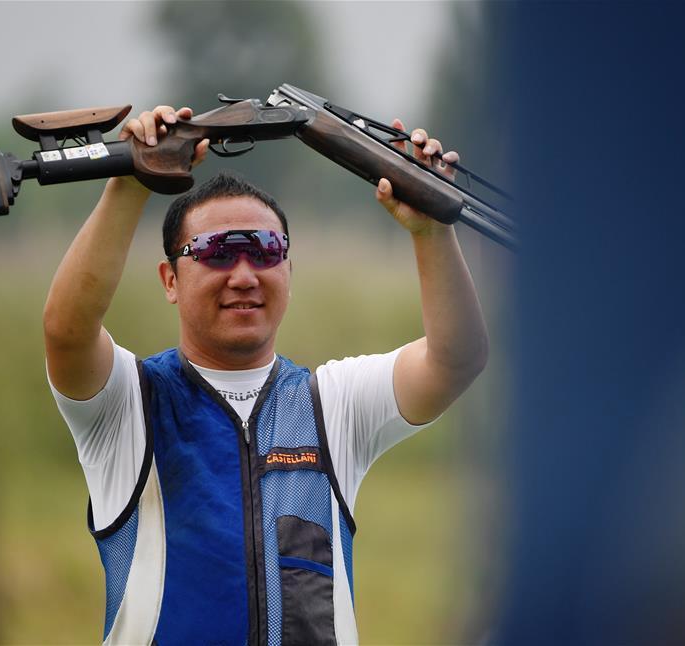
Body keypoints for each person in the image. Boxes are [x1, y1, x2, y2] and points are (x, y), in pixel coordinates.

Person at [43, 104, 489, 645]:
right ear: (170, 279)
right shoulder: (128, 402)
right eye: (217, 252)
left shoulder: (332, 404)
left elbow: (456, 357)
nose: (244, 275)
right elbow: (67, 331)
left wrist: (430, 231)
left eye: (265, 250)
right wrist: (132, 184)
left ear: (288, 271)